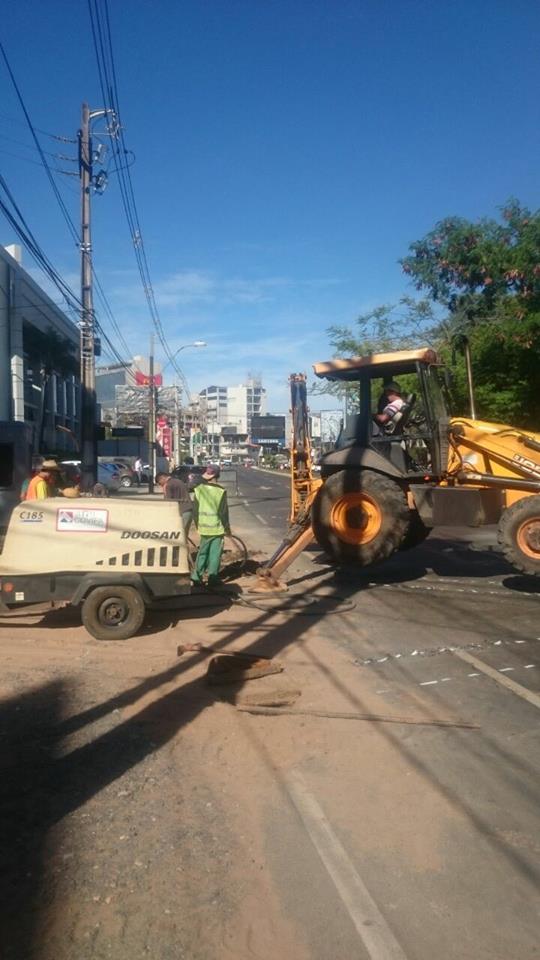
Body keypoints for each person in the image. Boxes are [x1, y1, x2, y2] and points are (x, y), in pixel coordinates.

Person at [191, 465, 230, 587]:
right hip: (217, 528)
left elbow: (195, 511)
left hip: (203, 527)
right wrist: (227, 528)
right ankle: (213, 578)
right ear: (217, 476)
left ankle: (196, 577)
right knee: (215, 554)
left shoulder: (199, 489)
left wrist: (198, 525)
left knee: (202, 552)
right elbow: (223, 512)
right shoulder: (221, 491)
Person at [156, 471, 193, 535]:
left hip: (181, 512)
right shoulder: (178, 481)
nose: (160, 485)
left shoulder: (168, 485)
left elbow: (168, 502)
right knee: (184, 534)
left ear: (162, 478)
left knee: (179, 535)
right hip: (189, 510)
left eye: (160, 483)